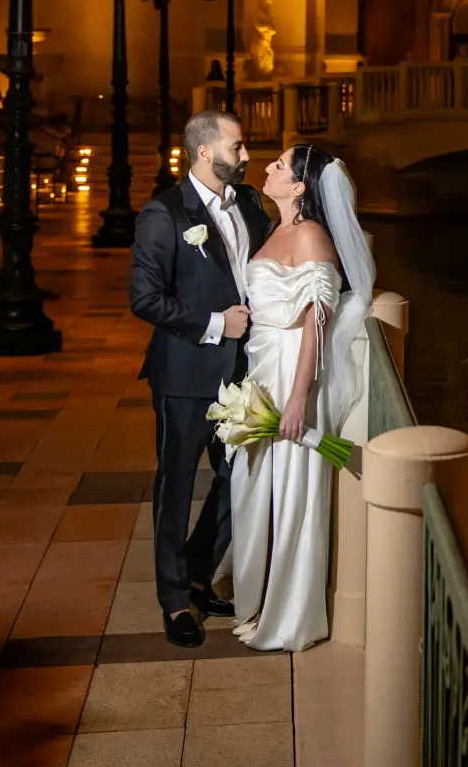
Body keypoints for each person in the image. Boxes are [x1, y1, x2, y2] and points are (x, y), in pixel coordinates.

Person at [129, 110, 271, 648]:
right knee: (177, 482)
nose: (247, 156)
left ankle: (195, 569)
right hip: (185, 374)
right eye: (239, 147)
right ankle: (173, 600)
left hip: (244, 373)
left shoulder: (251, 204)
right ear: (206, 151)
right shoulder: (164, 215)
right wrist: (215, 323)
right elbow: (144, 299)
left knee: (242, 477)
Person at [230, 143, 373, 652]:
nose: (268, 167)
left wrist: (298, 398)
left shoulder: (310, 234)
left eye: (280, 165)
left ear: (299, 187)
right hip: (262, 365)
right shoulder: (278, 229)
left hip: (292, 370)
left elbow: (317, 319)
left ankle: (289, 615)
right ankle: (260, 600)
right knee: (254, 488)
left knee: (291, 494)